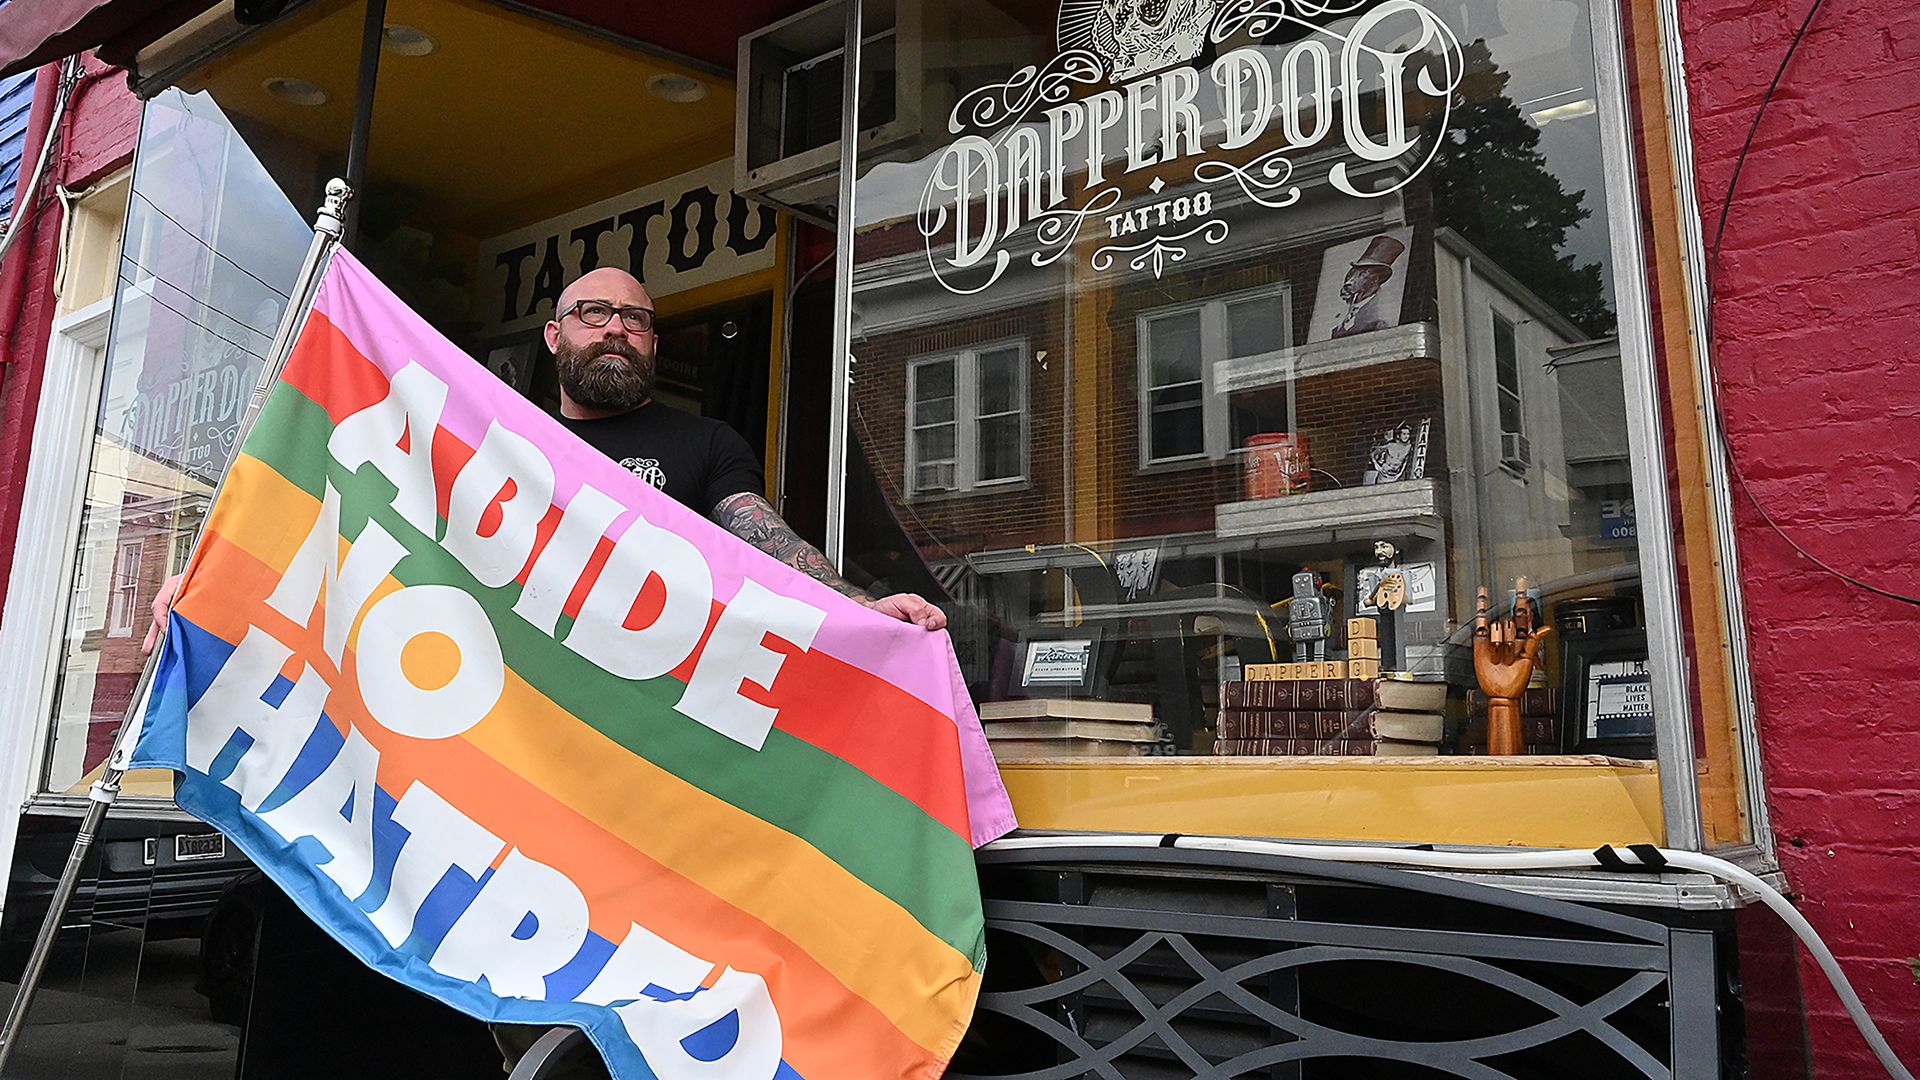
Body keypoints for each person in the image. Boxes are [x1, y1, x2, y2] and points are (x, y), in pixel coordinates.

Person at [144, 266, 944, 653]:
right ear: (554, 336)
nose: (617, 328)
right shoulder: (497, 439)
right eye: (594, 313)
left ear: (656, 344)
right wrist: (220, 582)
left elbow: (764, 537)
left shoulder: (704, 445)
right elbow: (362, 531)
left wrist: (858, 609)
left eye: (636, 319)